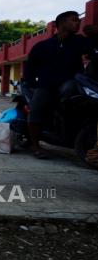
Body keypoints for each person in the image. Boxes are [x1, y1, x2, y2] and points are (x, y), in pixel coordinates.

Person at [24, 11, 92, 159]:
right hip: (47, 85)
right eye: (74, 20)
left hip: (71, 83)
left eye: (78, 20)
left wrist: (95, 33)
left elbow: (94, 49)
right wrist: (33, 85)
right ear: (61, 23)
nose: (78, 23)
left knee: (72, 91)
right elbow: (29, 67)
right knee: (36, 109)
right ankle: (35, 146)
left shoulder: (79, 41)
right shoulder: (42, 46)